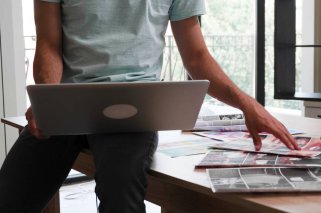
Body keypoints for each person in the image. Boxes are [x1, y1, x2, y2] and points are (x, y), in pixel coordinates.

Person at [0, 0, 300, 212]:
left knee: (122, 194)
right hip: (67, 102)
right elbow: (49, 44)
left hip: (132, 110)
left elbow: (196, 57)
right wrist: (48, 98)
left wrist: (248, 104)